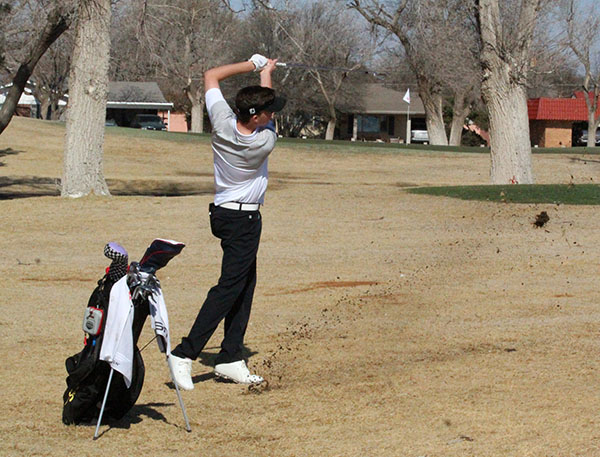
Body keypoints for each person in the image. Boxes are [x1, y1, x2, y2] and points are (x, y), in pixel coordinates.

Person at [168, 54, 286, 389]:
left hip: (225, 214)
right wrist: (267, 75)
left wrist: (253, 65)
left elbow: (211, 75)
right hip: (242, 220)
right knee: (229, 288)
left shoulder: (222, 121)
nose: (272, 114)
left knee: (245, 284)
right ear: (256, 116)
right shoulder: (263, 141)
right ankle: (184, 352)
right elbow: (268, 113)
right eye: (268, 111)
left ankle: (231, 356)